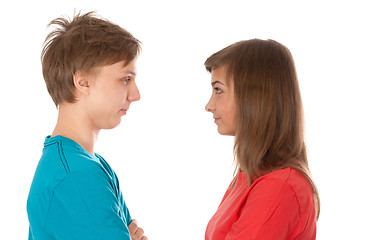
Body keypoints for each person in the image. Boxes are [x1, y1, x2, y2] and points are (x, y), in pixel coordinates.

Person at [27, 12, 147, 240]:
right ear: (82, 82)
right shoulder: (76, 175)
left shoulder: (91, 164)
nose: (136, 94)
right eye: (125, 79)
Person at [204, 39, 320, 239]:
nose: (209, 105)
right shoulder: (250, 176)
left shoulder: (279, 186)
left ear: (253, 96)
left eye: (218, 90)